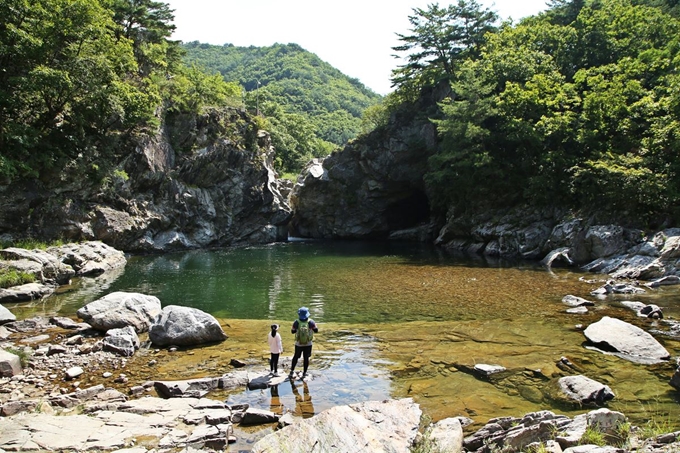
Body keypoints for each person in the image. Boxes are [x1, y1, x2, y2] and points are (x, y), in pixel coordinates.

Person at [289, 306, 319, 379]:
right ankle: (304, 373)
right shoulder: (311, 322)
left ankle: (292, 371)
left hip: (298, 343)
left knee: (296, 357)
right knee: (306, 358)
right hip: (308, 343)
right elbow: (316, 330)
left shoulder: (296, 322)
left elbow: (292, 331)